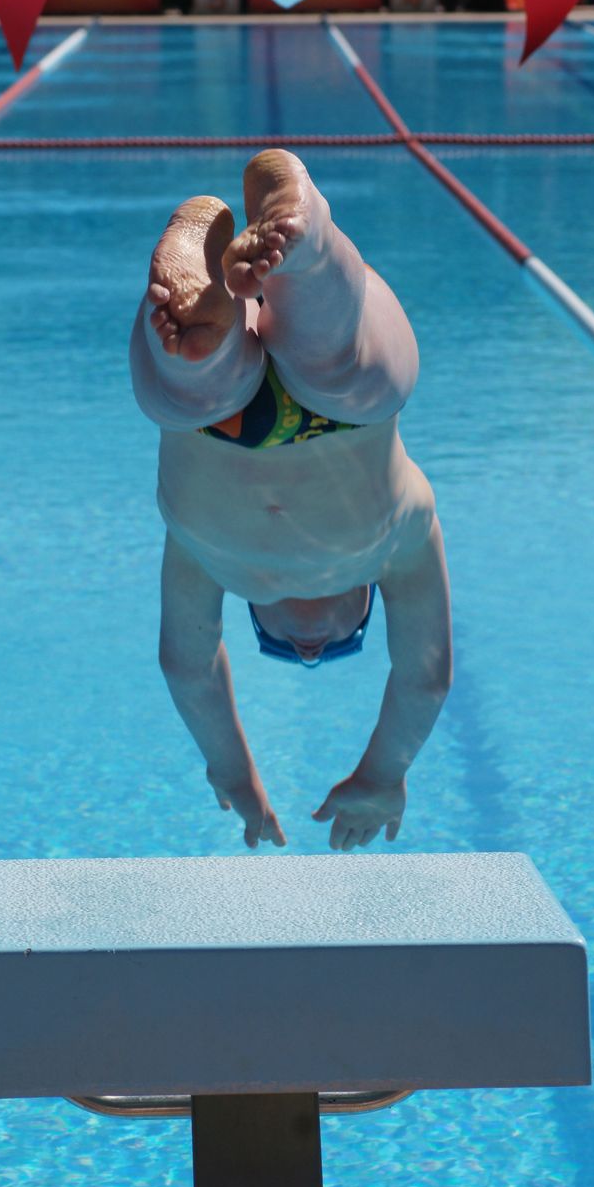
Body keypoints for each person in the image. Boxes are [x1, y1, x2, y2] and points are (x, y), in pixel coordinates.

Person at [130, 149, 452, 852]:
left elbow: (189, 664)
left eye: (277, 646)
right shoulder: (401, 543)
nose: (312, 646)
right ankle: (301, 242)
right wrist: (385, 772)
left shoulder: (209, 562)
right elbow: (422, 678)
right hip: (352, 416)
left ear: (257, 614)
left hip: (215, 427)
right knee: (344, 364)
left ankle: (204, 318)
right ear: (369, 600)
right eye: (344, 642)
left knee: (183, 388)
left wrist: (235, 774)